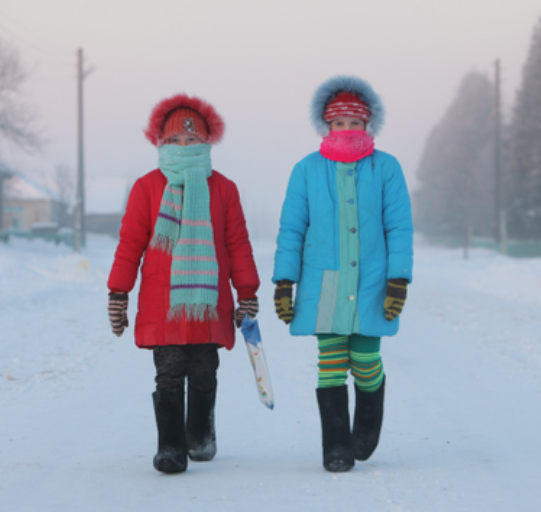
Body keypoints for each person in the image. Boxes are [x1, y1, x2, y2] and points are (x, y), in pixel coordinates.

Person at [107, 94, 260, 474]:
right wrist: (118, 293)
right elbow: (130, 244)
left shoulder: (224, 189)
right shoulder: (147, 187)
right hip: (163, 300)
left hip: (209, 298)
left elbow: (237, 244)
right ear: (161, 142)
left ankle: (201, 435)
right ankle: (171, 447)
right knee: (169, 370)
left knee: (205, 368)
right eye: (174, 139)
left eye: (192, 139)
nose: (183, 145)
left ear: (207, 142)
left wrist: (247, 293)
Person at [273, 76, 414, 472]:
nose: (347, 129)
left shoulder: (386, 167)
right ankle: (336, 445)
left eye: (355, 122)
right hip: (325, 282)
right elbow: (292, 229)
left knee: (365, 360)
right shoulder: (306, 169)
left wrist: (398, 278)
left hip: (372, 282)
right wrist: (284, 281)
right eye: (339, 123)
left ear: (368, 124)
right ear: (326, 125)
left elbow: (399, 227)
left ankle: (366, 425)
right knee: (331, 362)